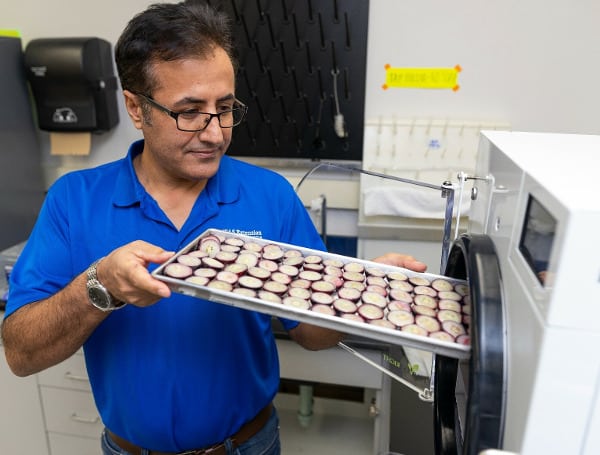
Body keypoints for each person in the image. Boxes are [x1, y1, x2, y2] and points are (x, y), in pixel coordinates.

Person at [1, 1, 427, 454]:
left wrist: (363, 292)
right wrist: (99, 285)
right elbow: (22, 354)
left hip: (248, 446)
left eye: (225, 107)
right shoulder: (74, 200)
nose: (215, 133)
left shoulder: (269, 195)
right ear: (136, 108)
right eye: (189, 111)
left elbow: (310, 335)